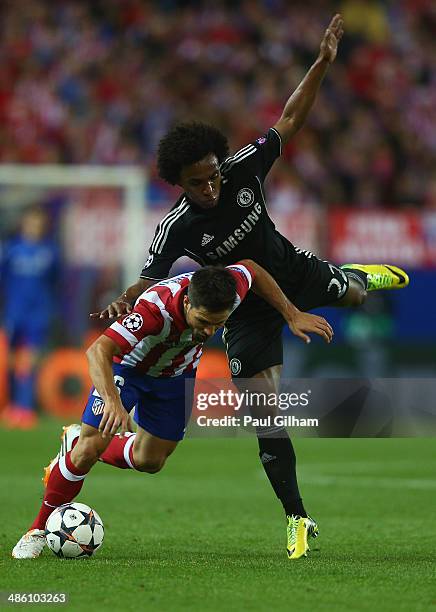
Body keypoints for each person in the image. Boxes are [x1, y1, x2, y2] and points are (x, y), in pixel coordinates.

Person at [91, 14, 409, 557]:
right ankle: (298, 519)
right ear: (179, 184)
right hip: (244, 305)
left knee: (357, 295)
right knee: (265, 411)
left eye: (214, 174)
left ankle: (354, 276)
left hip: (295, 271)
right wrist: (123, 297)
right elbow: (148, 276)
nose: (212, 186)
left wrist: (322, 64)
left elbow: (289, 119)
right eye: (199, 182)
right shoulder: (177, 226)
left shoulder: (242, 170)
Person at [12, 259, 333, 560]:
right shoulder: (154, 310)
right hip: (129, 370)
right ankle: (37, 529)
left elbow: (251, 268)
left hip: (175, 377)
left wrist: (291, 313)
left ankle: (76, 438)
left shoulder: (230, 287)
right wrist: (111, 399)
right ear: (188, 304)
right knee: (88, 450)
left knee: (150, 460)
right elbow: (98, 351)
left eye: (218, 324)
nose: (209, 331)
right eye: (204, 322)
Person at [0, 206, 60, 430]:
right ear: (24, 222)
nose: (36, 226)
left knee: (30, 360)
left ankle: (25, 408)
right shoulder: (11, 250)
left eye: (39, 222)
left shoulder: (51, 251)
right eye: (32, 221)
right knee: (13, 360)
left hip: (39, 314)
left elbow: (56, 282)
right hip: (15, 312)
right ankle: (14, 405)